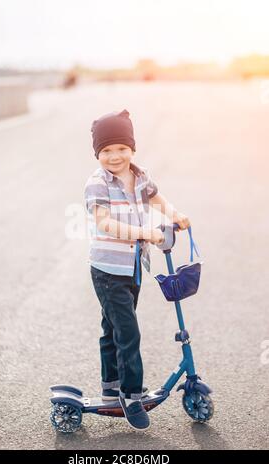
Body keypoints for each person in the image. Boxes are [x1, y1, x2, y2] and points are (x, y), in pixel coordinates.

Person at [84, 109, 190, 431]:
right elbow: (104, 222)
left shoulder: (141, 176)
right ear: (97, 154)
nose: (114, 157)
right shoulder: (97, 183)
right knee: (127, 332)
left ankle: (111, 383)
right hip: (107, 270)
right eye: (106, 151)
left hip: (133, 268)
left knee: (112, 328)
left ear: (132, 148)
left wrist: (176, 215)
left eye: (121, 149)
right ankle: (130, 395)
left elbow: (157, 198)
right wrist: (146, 233)